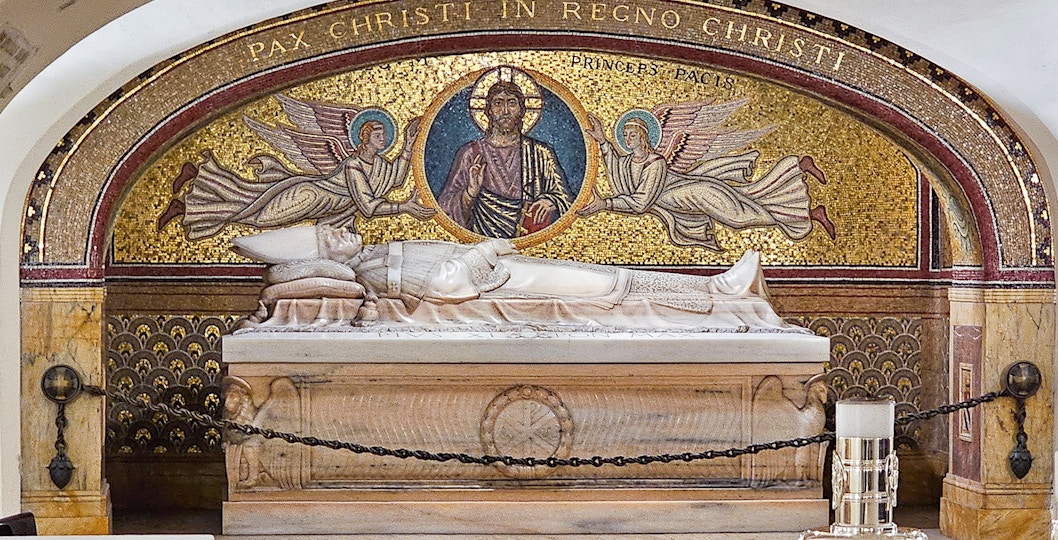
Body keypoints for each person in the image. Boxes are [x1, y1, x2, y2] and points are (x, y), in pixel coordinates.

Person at [231, 224, 799, 331]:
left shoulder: (380, 248)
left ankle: (716, 291)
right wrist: (483, 250)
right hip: (506, 285)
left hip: (506, 273)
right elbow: (450, 285)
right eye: (331, 240)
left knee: (610, 279)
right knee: (609, 291)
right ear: (327, 264)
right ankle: (717, 295)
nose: (343, 232)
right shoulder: (377, 268)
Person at [578, 114, 835, 250]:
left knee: (740, 217)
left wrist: (606, 205)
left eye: (632, 133)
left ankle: (806, 202)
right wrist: (602, 141)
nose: (628, 137)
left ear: (644, 137)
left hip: (700, 194)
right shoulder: (628, 163)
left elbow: (642, 202)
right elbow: (616, 169)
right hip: (689, 202)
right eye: (625, 134)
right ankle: (804, 185)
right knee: (752, 197)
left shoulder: (655, 163)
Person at [159, 118, 434, 240]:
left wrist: (408, 145)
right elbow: (368, 207)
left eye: (384, 137)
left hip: (322, 205)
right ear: (365, 138)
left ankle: (198, 180)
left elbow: (395, 178)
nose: (383, 140)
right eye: (378, 136)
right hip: (308, 197)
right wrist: (404, 207)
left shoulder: (378, 164)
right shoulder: (353, 166)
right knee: (255, 214)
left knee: (250, 199)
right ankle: (189, 199)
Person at [436, 81, 574, 238]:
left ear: (522, 110)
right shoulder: (470, 154)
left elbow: (567, 202)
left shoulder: (541, 153)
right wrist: (469, 194)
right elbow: (444, 209)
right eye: (498, 103)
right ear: (489, 111)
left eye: (512, 103)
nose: (505, 111)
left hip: (530, 243)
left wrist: (551, 201)